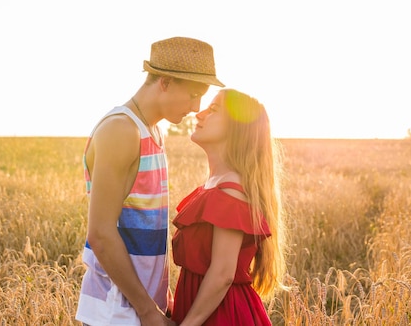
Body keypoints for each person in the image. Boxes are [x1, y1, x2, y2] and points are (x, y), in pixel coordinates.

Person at [75, 36, 225, 326]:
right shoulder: (121, 130)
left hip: (140, 308)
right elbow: (101, 234)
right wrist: (147, 312)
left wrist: (160, 298)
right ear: (165, 82)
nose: (196, 107)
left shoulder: (152, 131)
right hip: (115, 312)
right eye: (194, 93)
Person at [170, 89, 287, 326]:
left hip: (222, 315)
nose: (199, 114)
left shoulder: (231, 190)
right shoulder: (216, 185)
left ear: (237, 128)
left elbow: (223, 274)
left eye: (213, 110)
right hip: (203, 309)